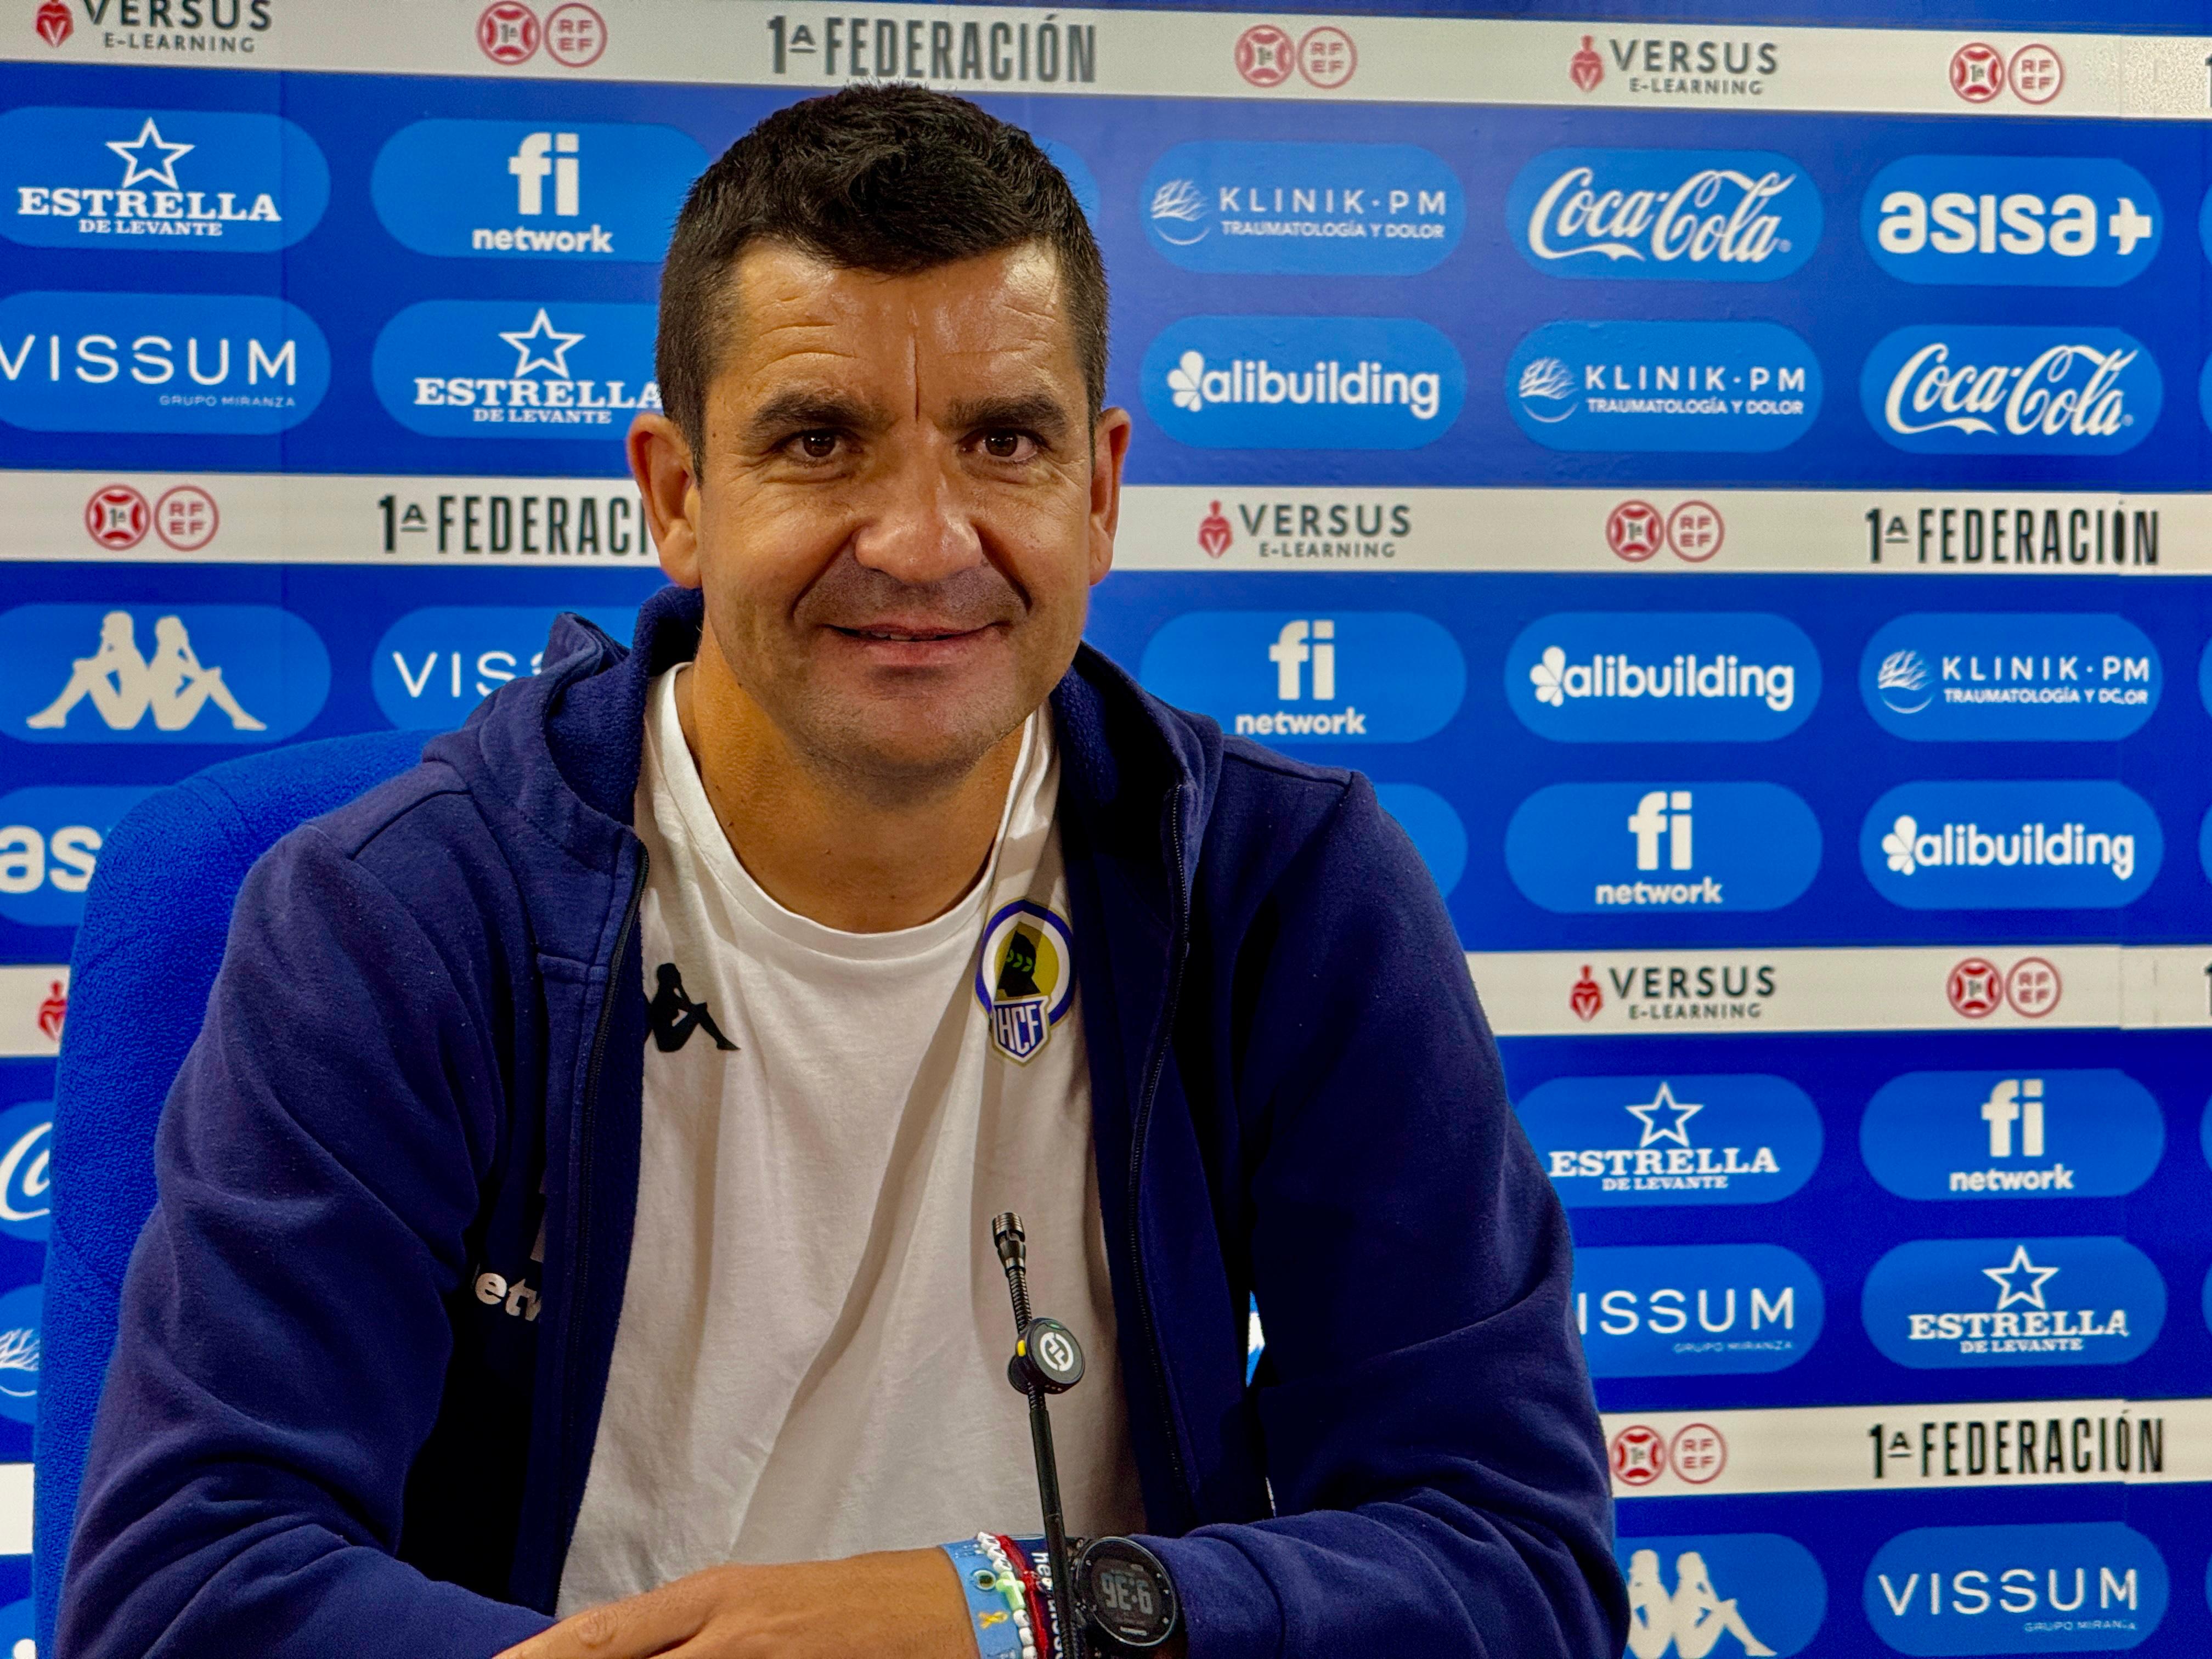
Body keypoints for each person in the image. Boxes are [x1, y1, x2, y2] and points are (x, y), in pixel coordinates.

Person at [58, 87, 1624, 1659]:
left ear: (1099, 489)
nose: (923, 539)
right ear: (676, 494)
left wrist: (1006, 1615)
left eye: (1004, 442)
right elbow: (182, 1592)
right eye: (820, 441)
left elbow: (1515, 1565)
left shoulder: (1282, 888)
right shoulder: (399, 916)